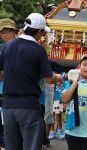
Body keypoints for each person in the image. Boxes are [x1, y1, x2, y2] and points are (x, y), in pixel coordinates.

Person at [0, 13, 61, 150]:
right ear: (39, 32)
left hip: (8, 106)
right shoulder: (38, 50)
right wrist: (57, 77)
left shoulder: (6, 47)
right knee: (31, 146)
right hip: (28, 106)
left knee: (11, 147)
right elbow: (48, 79)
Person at [0, 18, 17, 150]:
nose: (3, 35)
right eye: (1, 33)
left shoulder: (22, 46)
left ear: (13, 31)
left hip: (14, 96)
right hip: (2, 92)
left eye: (6, 32)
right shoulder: (1, 48)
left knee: (9, 131)